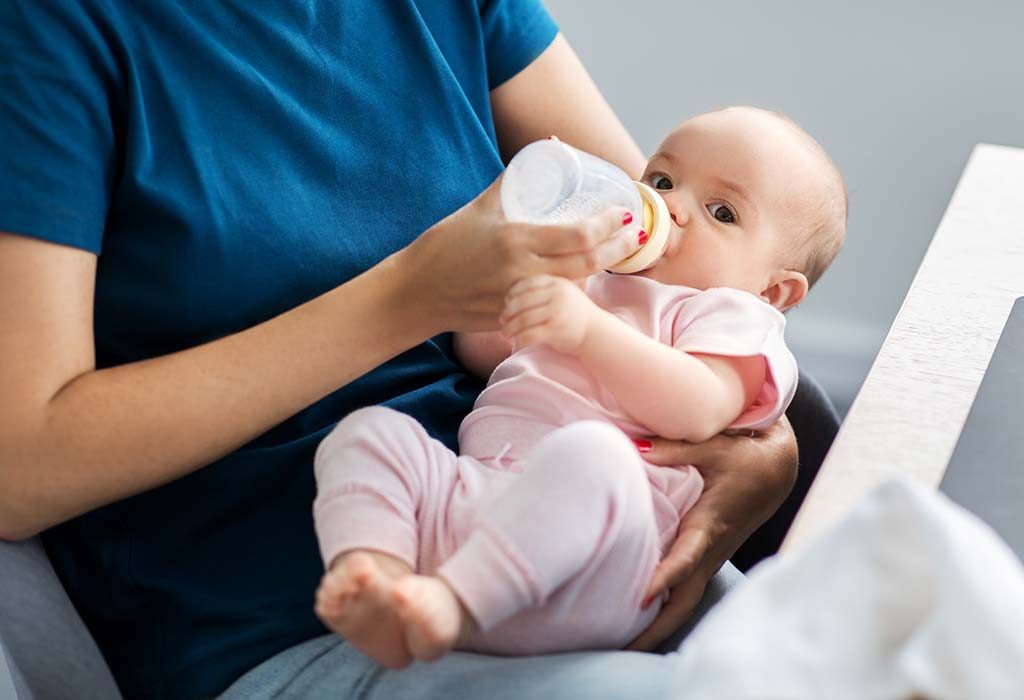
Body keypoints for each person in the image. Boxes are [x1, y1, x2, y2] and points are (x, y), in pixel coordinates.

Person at [0, 2, 817, 699]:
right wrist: (406, 298)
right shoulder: (47, 35)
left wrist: (763, 447)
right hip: (301, 615)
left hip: (593, 545)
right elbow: (20, 471)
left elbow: (666, 260)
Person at [312, 107, 847, 667]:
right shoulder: (595, 280)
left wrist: (588, 331)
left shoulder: (732, 316)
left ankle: (452, 604)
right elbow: (484, 351)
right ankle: (378, 577)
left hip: (599, 558)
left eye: (721, 212)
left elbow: (698, 408)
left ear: (776, 291)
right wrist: (535, 276)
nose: (671, 206)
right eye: (662, 180)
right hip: (483, 499)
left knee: (593, 454)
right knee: (371, 434)